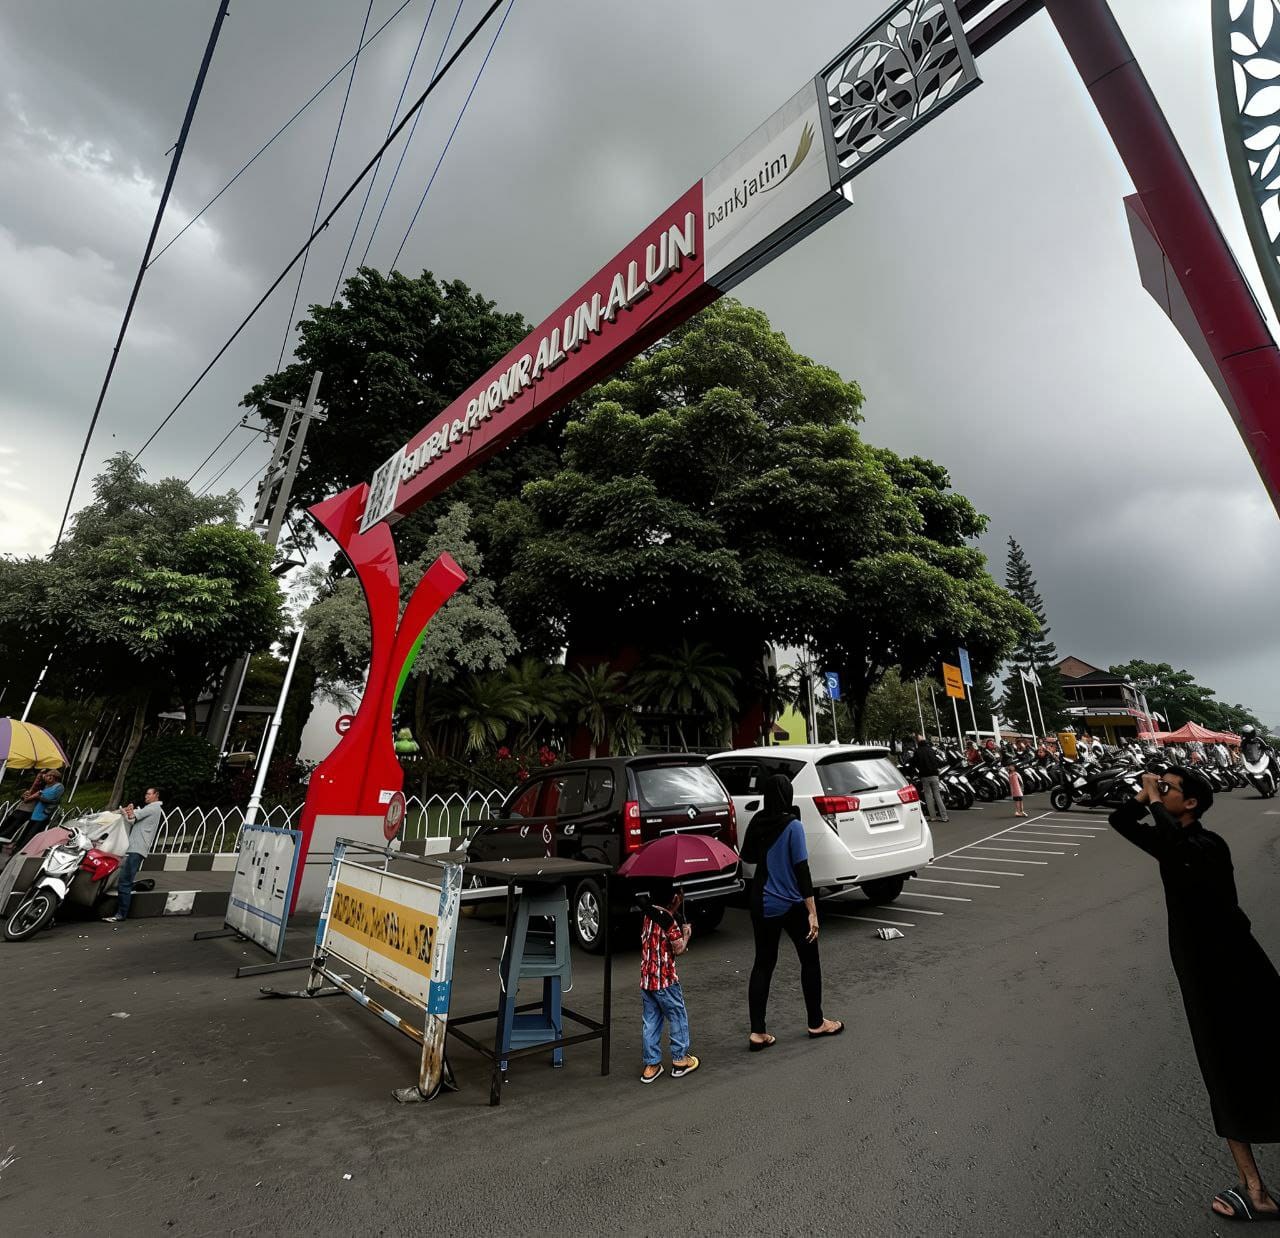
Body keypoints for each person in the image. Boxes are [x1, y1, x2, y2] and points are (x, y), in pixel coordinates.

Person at [1109, 766, 1280, 1221]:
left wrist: (1155, 801)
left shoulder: (1206, 845)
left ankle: (1255, 1186)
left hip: (1238, 966)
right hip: (1202, 976)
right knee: (1221, 1071)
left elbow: (1183, 850)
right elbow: (1121, 823)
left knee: (1266, 1055)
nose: (1157, 790)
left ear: (1190, 805)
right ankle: (1255, 1188)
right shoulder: (1170, 842)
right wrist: (1145, 798)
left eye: (1167, 788)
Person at [740, 774, 842, 1050]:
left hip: (762, 903)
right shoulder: (793, 825)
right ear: (788, 795)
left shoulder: (757, 821)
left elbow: (747, 858)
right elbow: (802, 870)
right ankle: (816, 1022)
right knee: (809, 960)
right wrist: (813, 911)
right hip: (792, 904)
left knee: (762, 963)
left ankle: (758, 1032)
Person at [638, 882, 698, 1084]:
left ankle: (651, 1065)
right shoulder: (669, 921)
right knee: (677, 1016)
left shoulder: (648, 916)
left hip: (647, 981)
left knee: (651, 1021)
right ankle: (680, 1059)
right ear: (673, 899)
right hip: (665, 981)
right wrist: (687, 934)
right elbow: (678, 948)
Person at [103, 786, 164, 924]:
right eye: (146, 794)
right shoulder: (151, 809)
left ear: (156, 795)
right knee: (125, 881)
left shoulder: (153, 807)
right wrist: (127, 812)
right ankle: (120, 913)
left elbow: (132, 816)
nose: (146, 796)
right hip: (135, 848)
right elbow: (132, 820)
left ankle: (120, 914)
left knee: (124, 882)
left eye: (149, 794)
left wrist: (127, 811)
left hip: (137, 849)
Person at [907, 733, 949, 824]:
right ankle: (944, 816)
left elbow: (913, 763)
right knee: (937, 795)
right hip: (934, 775)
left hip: (924, 776)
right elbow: (937, 761)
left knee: (928, 796)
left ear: (918, 743)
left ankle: (933, 817)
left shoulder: (918, 752)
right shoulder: (931, 750)